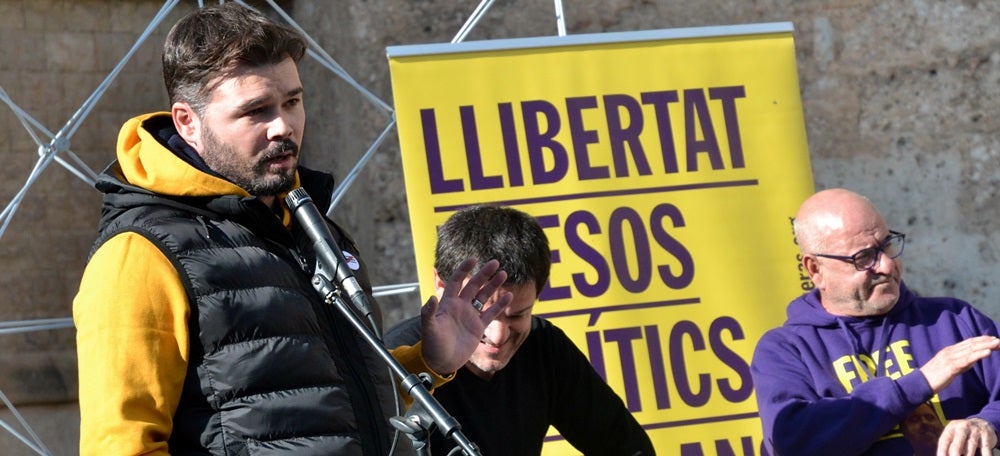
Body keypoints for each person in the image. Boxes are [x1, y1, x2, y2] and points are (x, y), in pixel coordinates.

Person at [72, 4, 511, 455]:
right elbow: (121, 445)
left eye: (293, 102)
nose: (283, 126)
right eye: (256, 111)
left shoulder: (310, 227)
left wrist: (430, 360)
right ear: (188, 123)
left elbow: (327, 407)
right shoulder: (139, 254)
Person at [384, 205, 655, 456]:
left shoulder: (543, 348)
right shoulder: (391, 365)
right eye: (478, 312)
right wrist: (433, 364)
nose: (498, 335)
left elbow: (628, 448)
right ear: (441, 286)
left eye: (518, 315)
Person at [751, 188, 1000, 455]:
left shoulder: (955, 319)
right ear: (815, 269)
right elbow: (793, 441)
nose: (886, 266)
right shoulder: (786, 350)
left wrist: (988, 425)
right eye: (864, 257)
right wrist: (920, 383)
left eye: (886, 245)